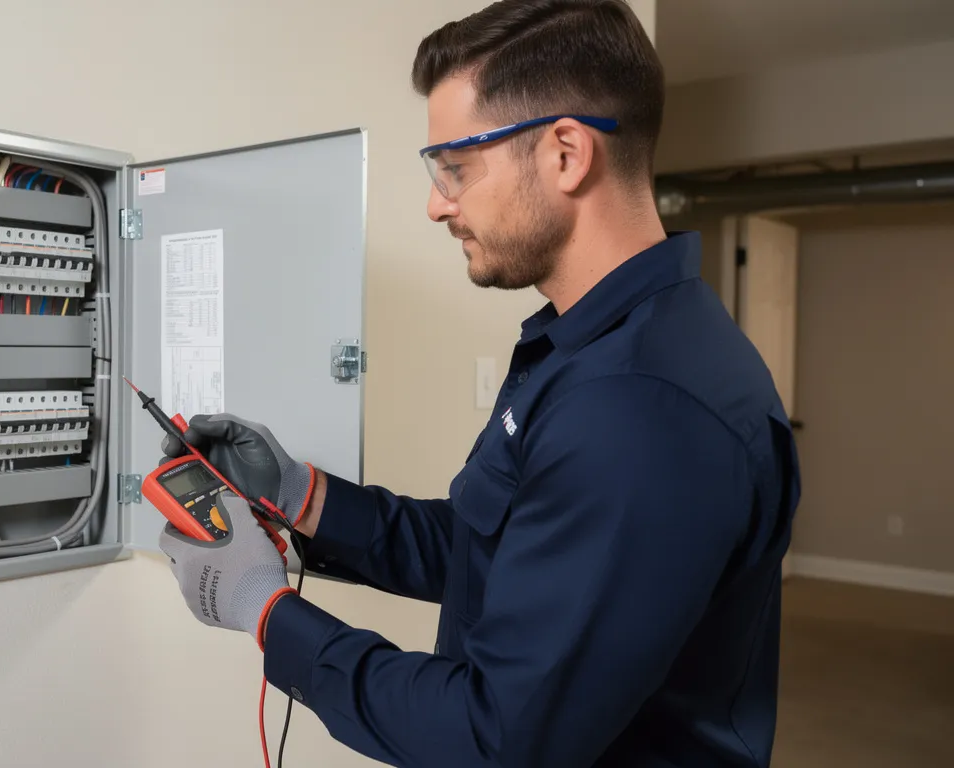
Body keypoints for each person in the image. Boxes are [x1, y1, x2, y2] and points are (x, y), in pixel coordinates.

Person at [157, 1, 801, 765]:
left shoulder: (638, 408)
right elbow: (493, 554)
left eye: (454, 167)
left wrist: (262, 609)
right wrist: (302, 494)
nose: (437, 204)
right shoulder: (588, 348)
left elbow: (494, 739)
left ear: (566, 153)